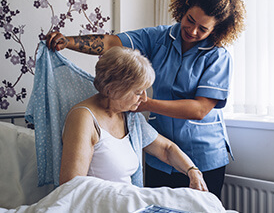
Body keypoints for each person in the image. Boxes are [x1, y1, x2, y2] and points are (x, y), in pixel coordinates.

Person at [47, 0, 246, 198]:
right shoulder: (158, 37)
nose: (192, 31)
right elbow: (112, 43)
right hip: (160, 156)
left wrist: (144, 103)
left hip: (203, 155)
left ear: (216, 30)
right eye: (190, 20)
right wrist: (68, 42)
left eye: (203, 29)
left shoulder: (218, 57)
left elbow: (199, 110)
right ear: (184, 8)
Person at [59, 46, 208, 192]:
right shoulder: (84, 118)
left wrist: (193, 171)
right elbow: (71, 187)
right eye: (138, 92)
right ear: (111, 89)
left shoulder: (129, 117)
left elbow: (166, 149)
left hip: (126, 202)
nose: (144, 98)